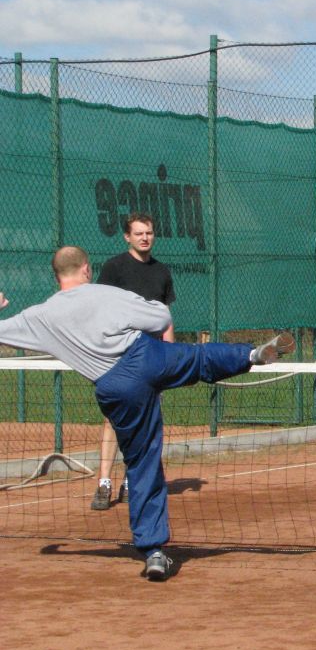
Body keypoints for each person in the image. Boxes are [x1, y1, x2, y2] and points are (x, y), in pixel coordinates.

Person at [0, 246, 294, 581]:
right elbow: (160, 317)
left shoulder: (39, 316)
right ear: (86, 269)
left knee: (142, 463)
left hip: (115, 386)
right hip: (146, 356)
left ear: (56, 276)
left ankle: (154, 552)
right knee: (197, 358)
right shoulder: (105, 293)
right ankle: (251, 355)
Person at [91, 212, 177, 511]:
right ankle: (104, 483)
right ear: (127, 237)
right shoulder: (114, 268)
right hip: (119, 355)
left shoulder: (162, 272)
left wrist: (169, 355)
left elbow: (165, 317)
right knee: (113, 419)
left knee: (144, 421)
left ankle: (131, 481)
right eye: (139, 233)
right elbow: (101, 309)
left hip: (152, 357)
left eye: (149, 233)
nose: (145, 238)